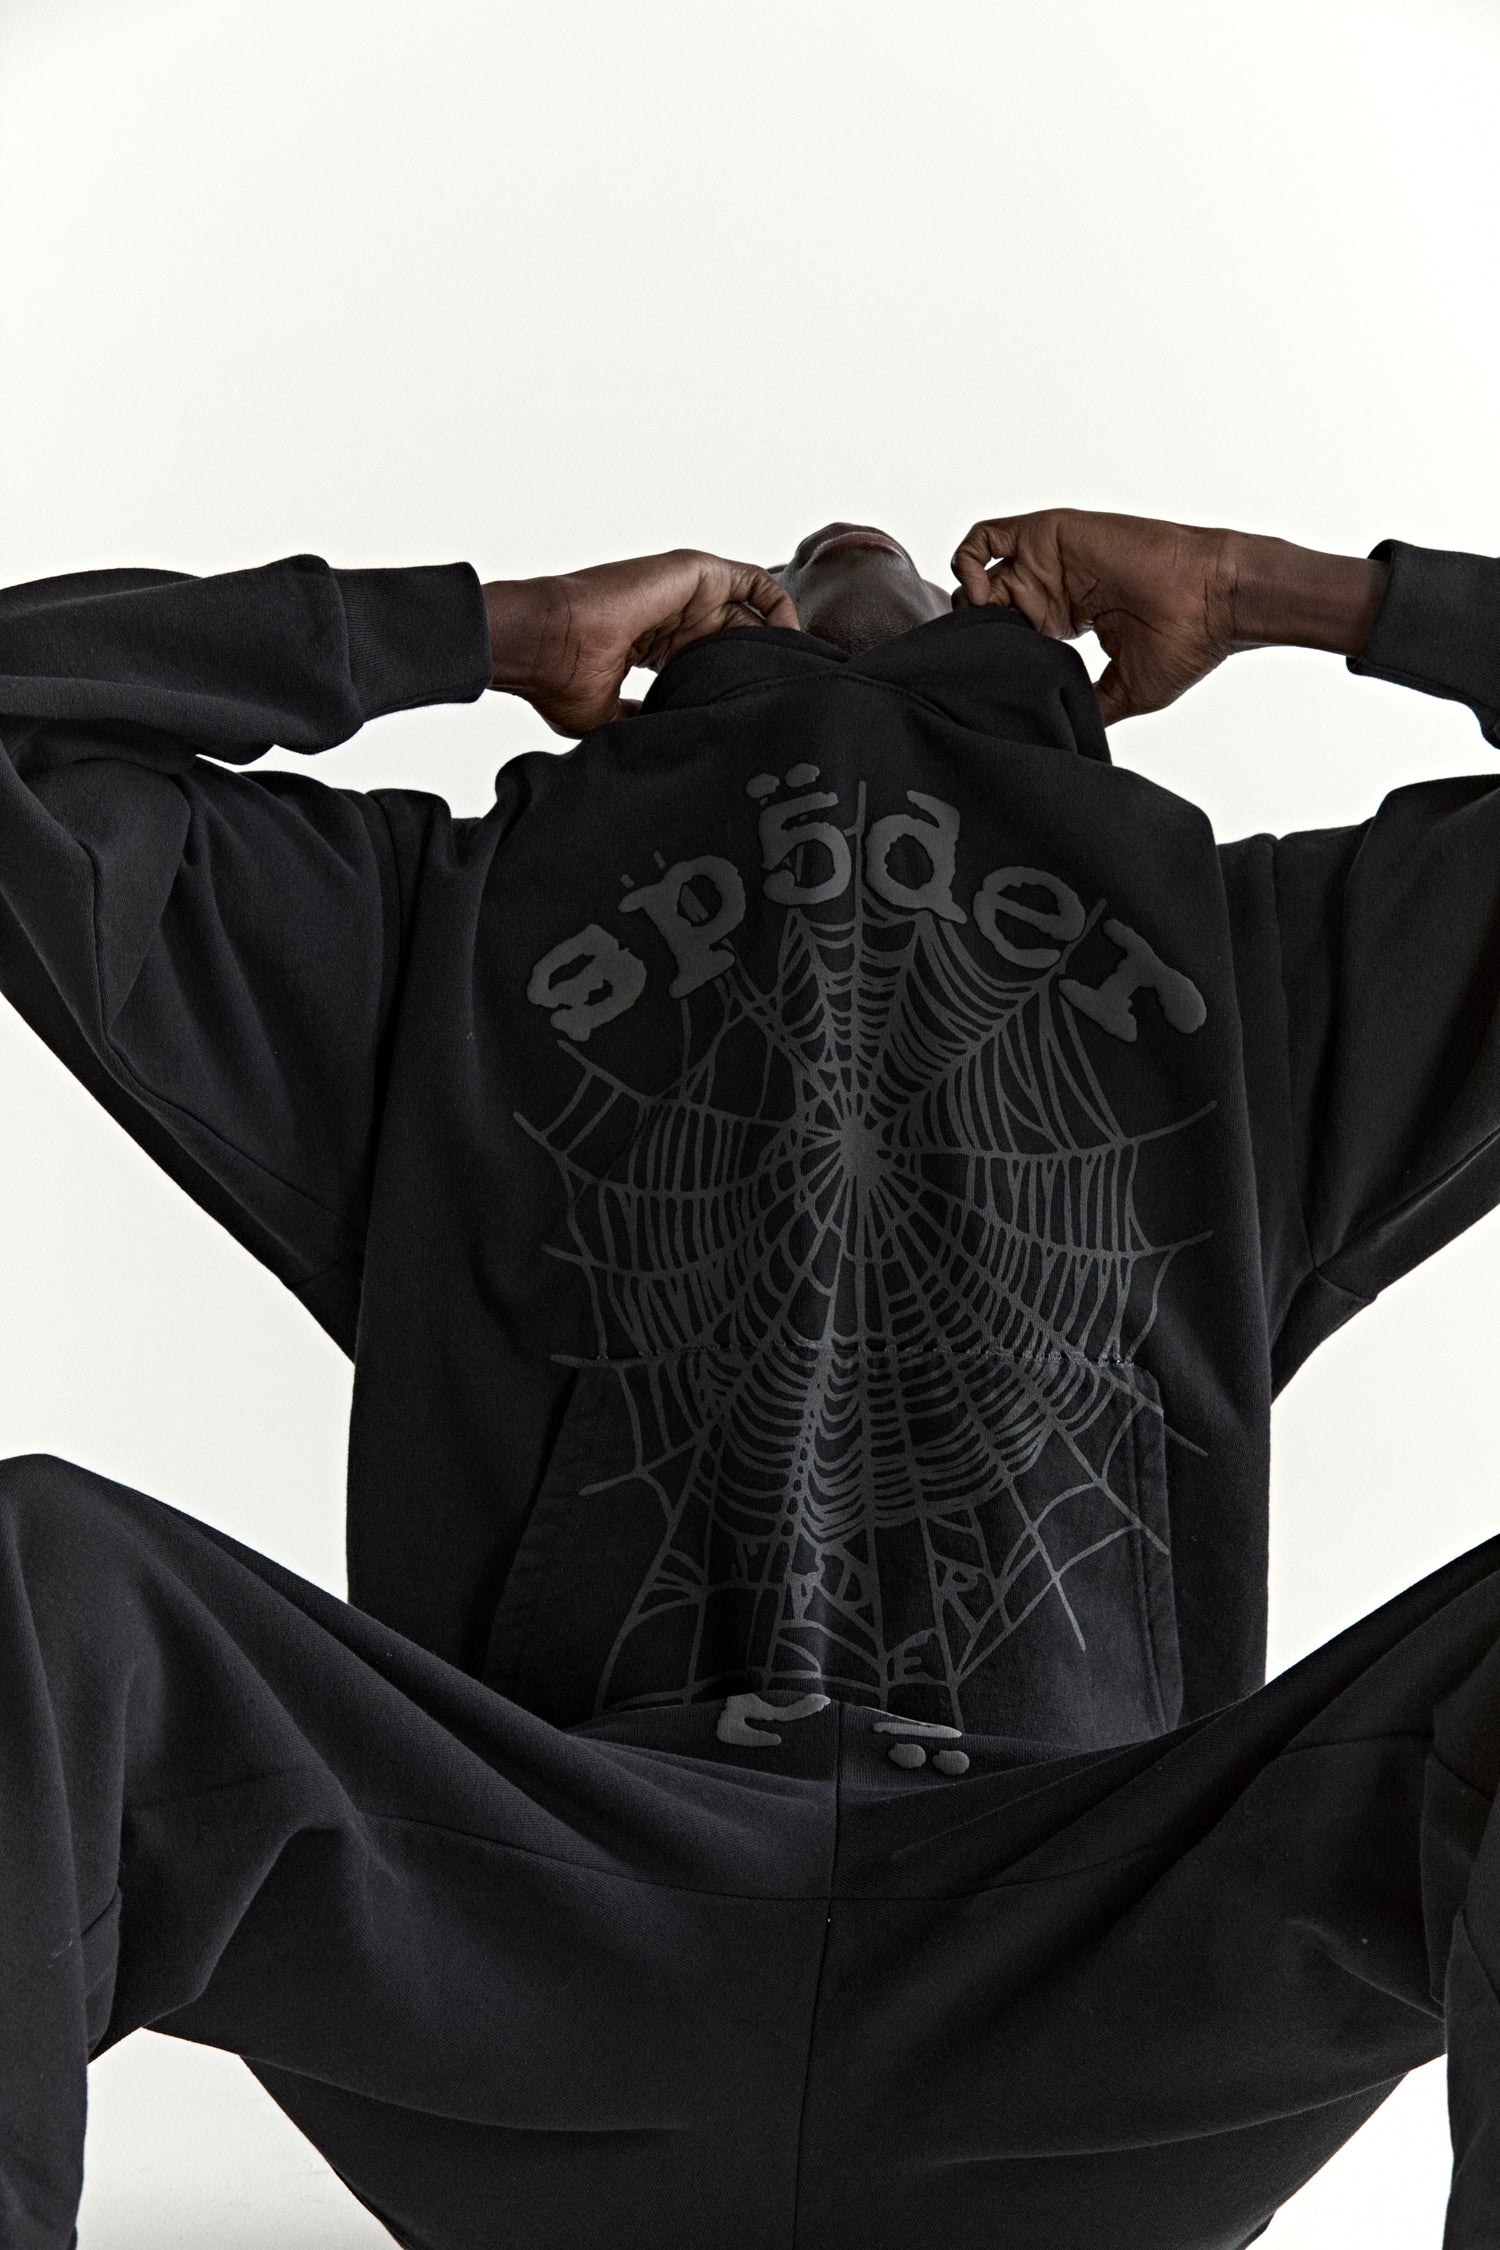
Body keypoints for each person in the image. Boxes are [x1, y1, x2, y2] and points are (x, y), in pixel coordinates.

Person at [0, 502, 1497, 2250]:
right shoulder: (432, 931)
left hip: (1076, 1959)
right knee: (42, 1578)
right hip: (536, 1935)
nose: (854, 533)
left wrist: (1277, 591)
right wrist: (487, 626)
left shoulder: (1253, 968)